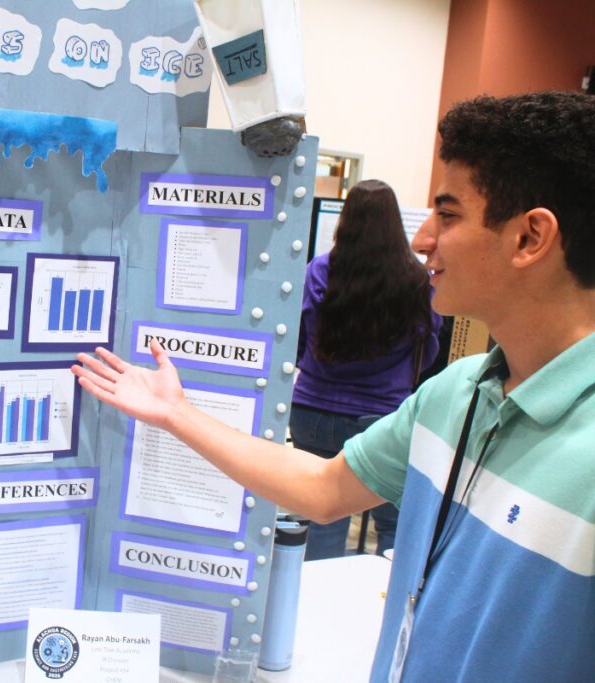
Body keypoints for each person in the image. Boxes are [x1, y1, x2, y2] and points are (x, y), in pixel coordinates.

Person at [72, 91, 595, 681]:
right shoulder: (455, 395)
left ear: (530, 238)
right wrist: (177, 413)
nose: (424, 240)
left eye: (447, 216)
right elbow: (323, 489)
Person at [291, 179, 441, 559]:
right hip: (383, 417)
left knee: (323, 518)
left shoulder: (319, 270)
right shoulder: (417, 280)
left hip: (313, 410)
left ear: (346, 220)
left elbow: (301, 337)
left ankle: (316, 608)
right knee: (393, 523)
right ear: (395, 223)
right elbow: (428, 349)